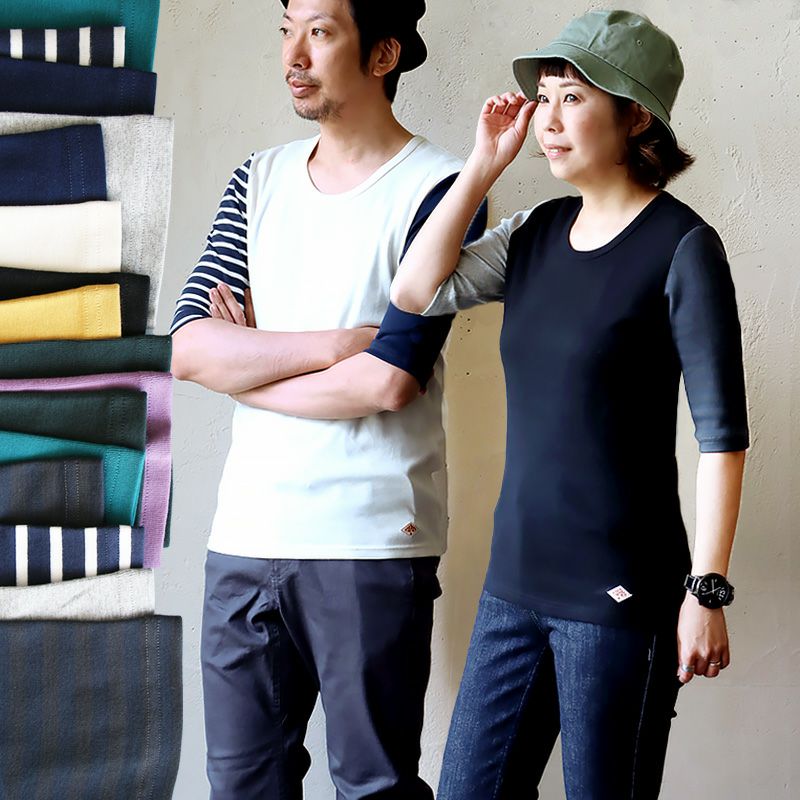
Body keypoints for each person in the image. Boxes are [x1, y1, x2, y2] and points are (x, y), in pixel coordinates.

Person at [391, 10, 749, 799]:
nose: (547, 120)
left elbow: (722, 438)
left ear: (636, 116)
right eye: (543, 97)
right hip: (514, 587)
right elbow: (414, 290)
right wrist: (481, 167)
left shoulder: (683, 247)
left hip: (621, 598)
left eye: (573, 98)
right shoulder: (535, 233)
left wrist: (707, 590)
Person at [170, 0, 486, 798]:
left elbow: (390, 380)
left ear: (382, 54)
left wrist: (251, 370)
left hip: (369, 540)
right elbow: (188, 349)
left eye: (319, 31)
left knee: (374, 788)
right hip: (244, 538)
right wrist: (339, 344)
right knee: (240, 787)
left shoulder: (441, 187)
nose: (294, 55)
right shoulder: (257, 179)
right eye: (287, 30)